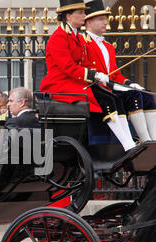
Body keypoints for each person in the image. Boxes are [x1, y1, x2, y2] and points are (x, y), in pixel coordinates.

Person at [40, 0, 136, 152]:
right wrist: (94, 75)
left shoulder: (75, 34)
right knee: (106, 99)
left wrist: (97, 75)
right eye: (81, 12)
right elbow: (67, 67)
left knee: (115, 98)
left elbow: (82, 63)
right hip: (60, 83)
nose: (84, 15)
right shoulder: (59, 36)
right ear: (68, 15)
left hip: (74, 81)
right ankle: (127, 145)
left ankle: (129, 141)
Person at [84, 0, 156, 142]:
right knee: (133, 96)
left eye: (106, 19)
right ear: (88, 23)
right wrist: (97, 76)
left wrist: (129, 82)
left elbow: (115, 74)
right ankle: (145, 140)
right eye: (100, 19)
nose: (105, 22)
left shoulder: (108, 46)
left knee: (146, 95)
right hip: (97, 88)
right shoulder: (83, 42)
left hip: (110, 85)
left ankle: (154, 139)